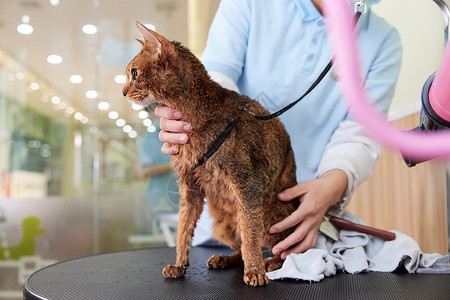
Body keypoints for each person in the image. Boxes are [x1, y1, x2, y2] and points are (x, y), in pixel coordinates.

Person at [155, 0, 402, 259]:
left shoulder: (383, 41)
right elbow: (216, 78)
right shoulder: (250, 4)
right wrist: (190, 113)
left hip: (299, 223)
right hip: (222, 222)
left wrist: (332, 183)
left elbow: (360, 134)